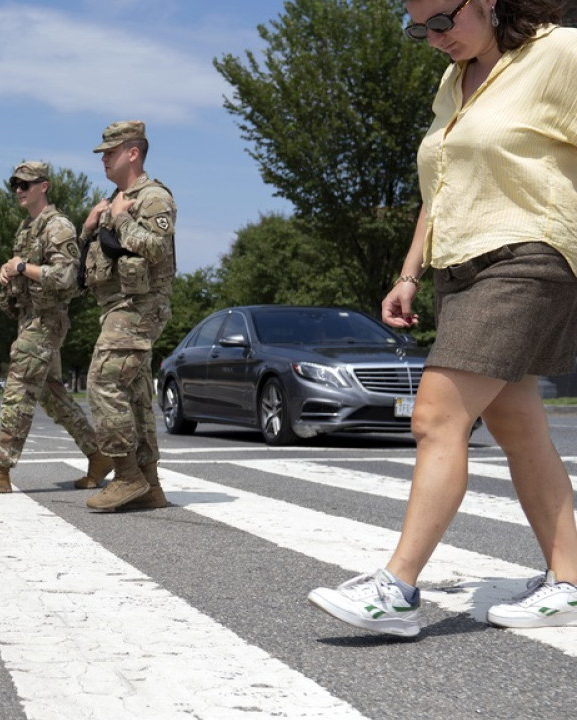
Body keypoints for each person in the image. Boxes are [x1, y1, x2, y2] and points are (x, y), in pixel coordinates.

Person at [309, 0, 577, 636]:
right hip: (457, 269)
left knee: (435, 417)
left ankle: (398, 588)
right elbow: (441, 187)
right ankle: (570, 582)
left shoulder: (559, 53)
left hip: (525, 254)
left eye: (442, 20)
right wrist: (409, 273)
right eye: (418, 27)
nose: (433, 37)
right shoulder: (453, 81)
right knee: (517, 427)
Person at [0, 162, 111, 493]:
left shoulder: (58, 227)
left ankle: (0, 470)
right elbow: (24, 268)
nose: (19, 190)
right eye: (15, 185)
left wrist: (23, 267)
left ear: (44, 186)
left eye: (25, 184)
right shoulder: (27, 227)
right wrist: (8, 270)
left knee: (18, 389)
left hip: (46, 321)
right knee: (52, 396)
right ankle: (98, 455)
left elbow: (67, 277)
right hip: (29, 318)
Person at [78, 121, 176, 512]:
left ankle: (127, 474)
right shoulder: (114, 199)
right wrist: (88, 230)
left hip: (140, 306)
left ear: (133, 153)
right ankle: (150, 485)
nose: (103, 159)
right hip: (117, 307)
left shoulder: (152, 198)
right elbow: (95, 262)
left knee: (102, 381)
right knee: (135, 396)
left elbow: (156, 247)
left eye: (110, 152)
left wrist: (120, 219)